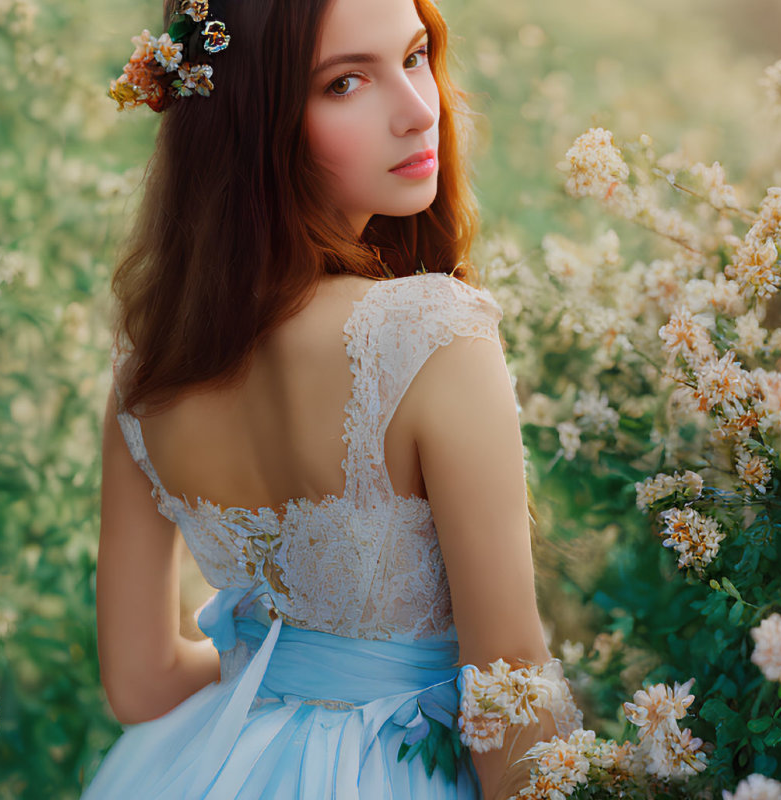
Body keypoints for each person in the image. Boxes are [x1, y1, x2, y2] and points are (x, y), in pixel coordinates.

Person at [84, 0, 582, 797]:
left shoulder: (151, 366)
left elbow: (140, 683)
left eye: (416, 56)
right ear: (254, 121)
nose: (420, 112)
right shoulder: (430, 331)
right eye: (346, 83)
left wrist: (292, 663)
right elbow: (508, 680)